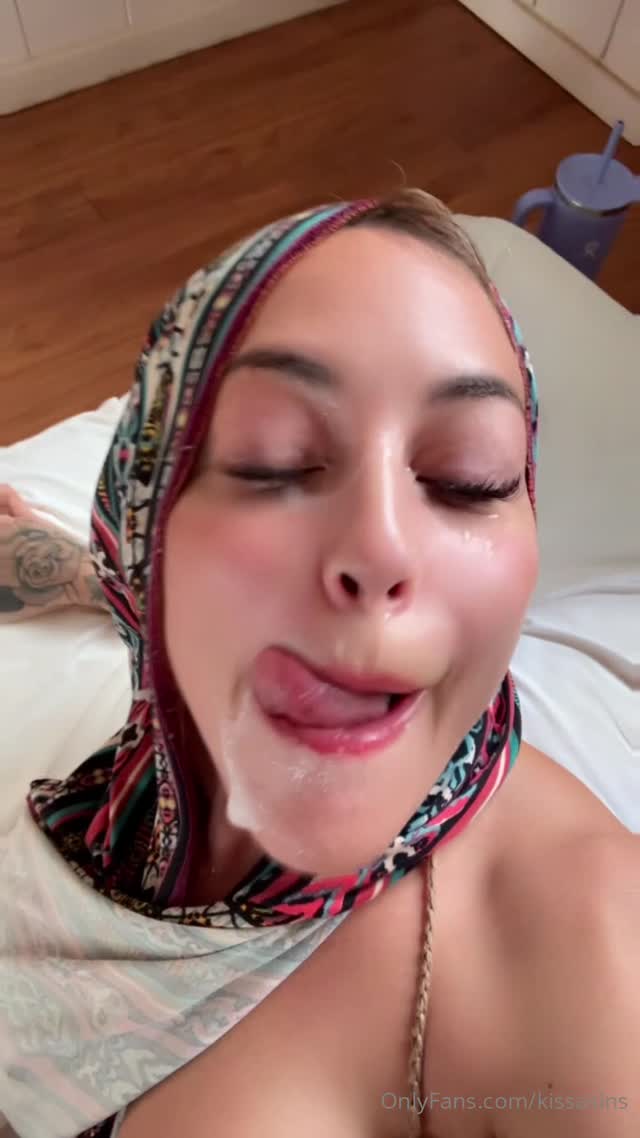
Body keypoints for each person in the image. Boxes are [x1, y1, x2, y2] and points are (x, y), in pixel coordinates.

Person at [0, 190, 637, 1138]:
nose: (380, 547)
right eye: (273, 461)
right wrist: (38, 562)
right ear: (143, 530)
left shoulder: (593, 955)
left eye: (470, 480)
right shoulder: (153, 737)